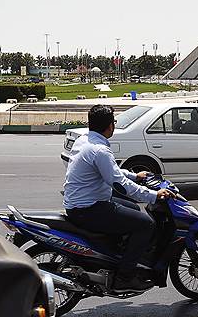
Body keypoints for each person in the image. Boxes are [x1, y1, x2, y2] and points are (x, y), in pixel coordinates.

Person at [63, 105, 174, 293]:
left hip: (81, 203)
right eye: (113, 122)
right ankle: (124, 277)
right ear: (109, 126)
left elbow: (111, 170)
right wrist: (154, 195)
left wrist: (135, 175)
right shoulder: (100, 150)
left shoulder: (85, 140)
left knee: (133, 208)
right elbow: (119, 184)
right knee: (146, 224)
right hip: (89, 208)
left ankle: (114, 257)